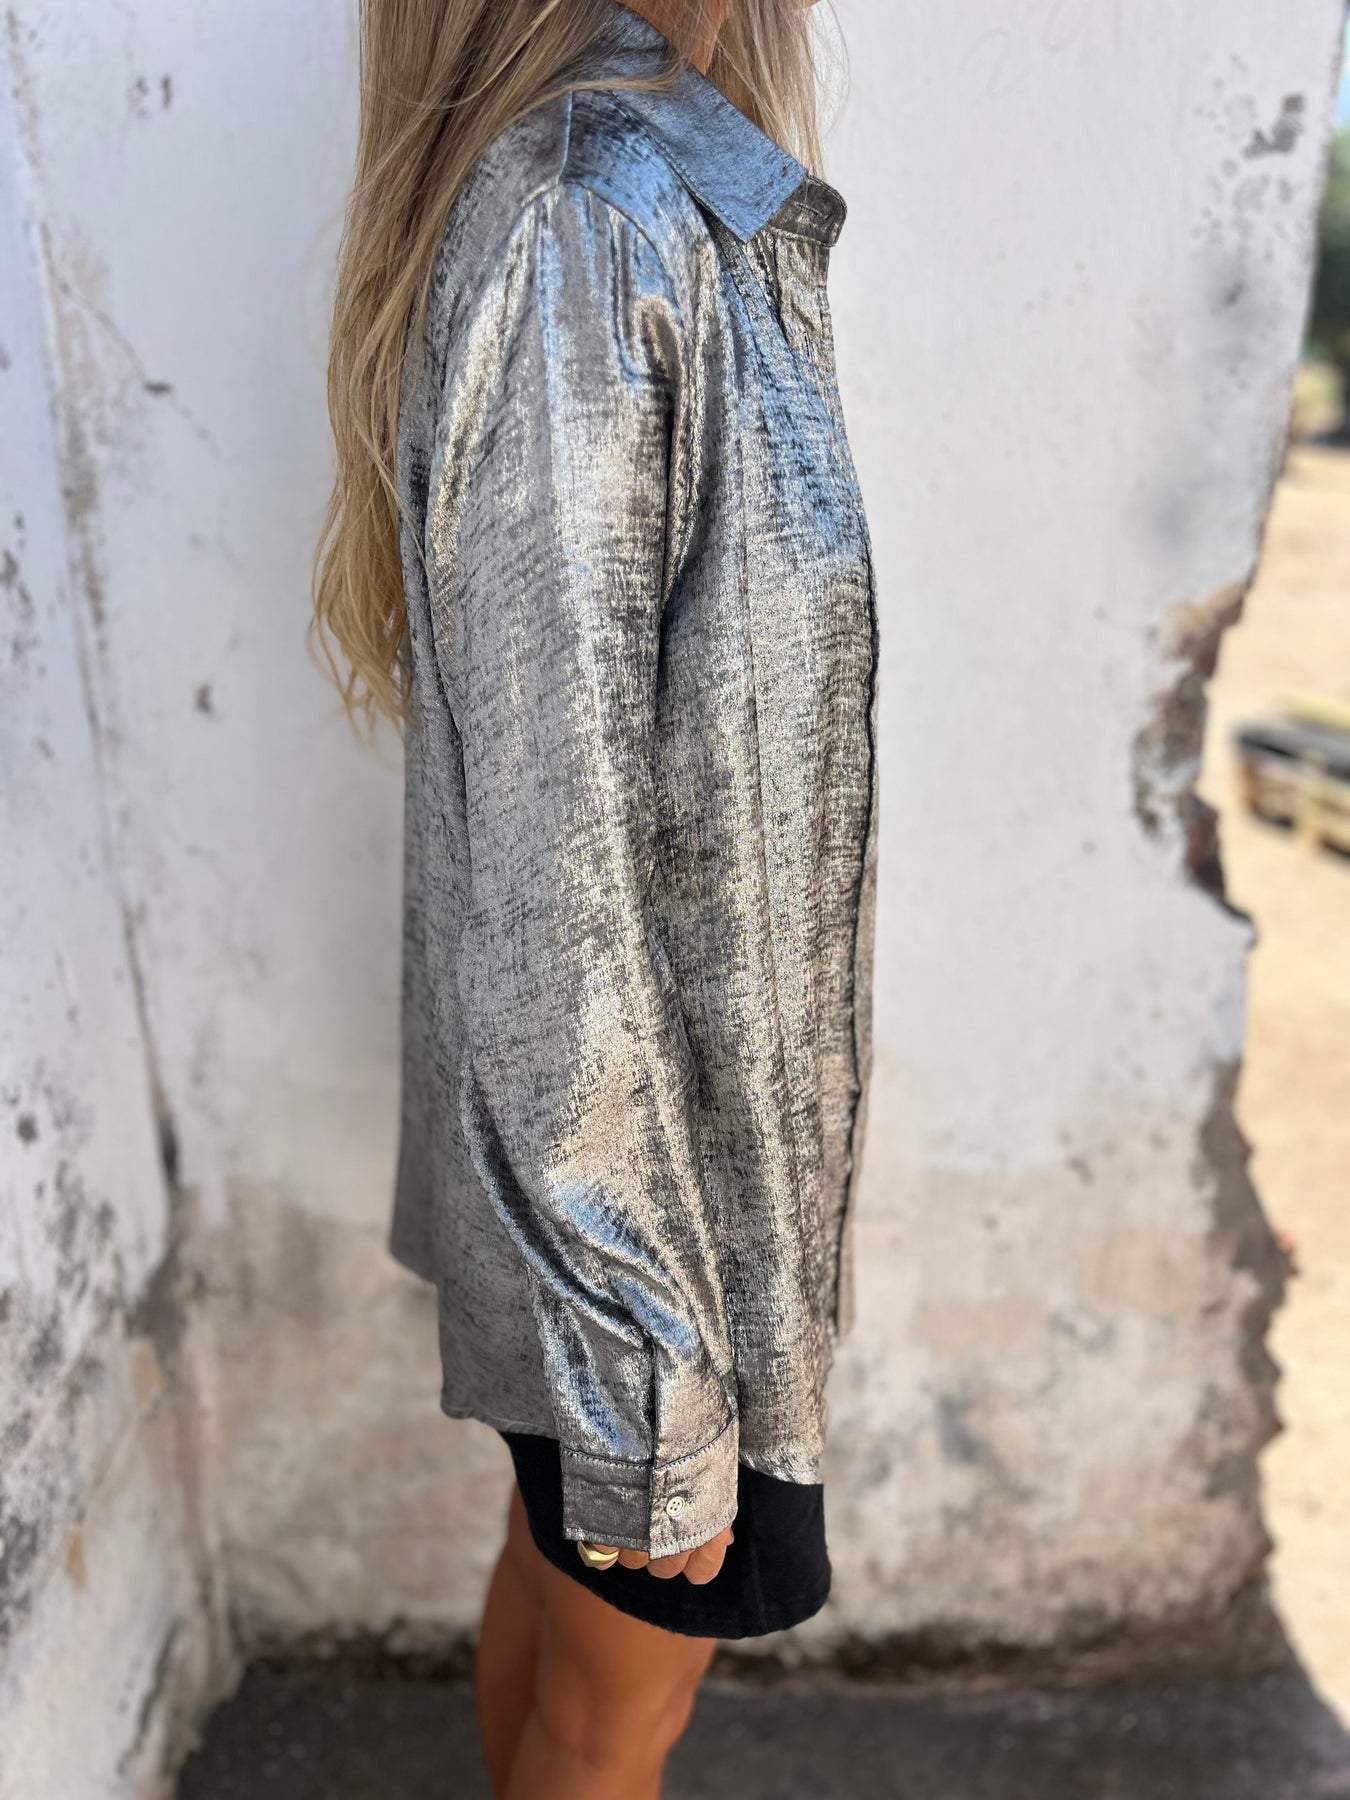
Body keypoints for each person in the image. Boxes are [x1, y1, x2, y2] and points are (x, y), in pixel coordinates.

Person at [314, 0, 879, 1791]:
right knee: (616, 1720)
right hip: (655, 1238)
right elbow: (554, 874)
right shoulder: (592, 207)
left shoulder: (641, 186)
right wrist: (641, 1359)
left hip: (657, 1201)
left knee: (574, 1649)